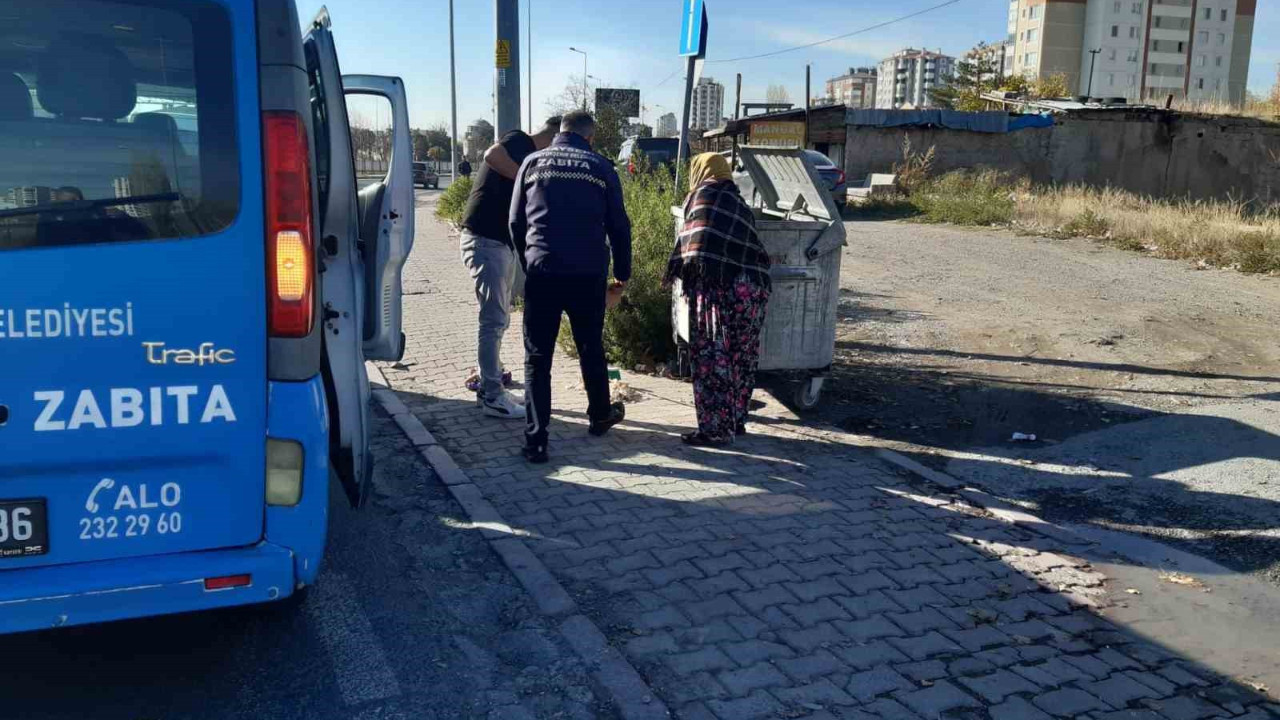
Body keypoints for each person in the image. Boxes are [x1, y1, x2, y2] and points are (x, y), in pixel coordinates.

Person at [510, 111, 632, 464]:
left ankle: (536, 441)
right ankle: (599, 416)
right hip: (587, 272)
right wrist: (622, 273)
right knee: (590, 346)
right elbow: (619, 225)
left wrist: (528, 262)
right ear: (590, 138)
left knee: (537, 356)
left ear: (559, 132)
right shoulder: (600, 168)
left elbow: (516, 221)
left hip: (543, 271)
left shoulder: (532, 162)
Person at [664, 153, 772, 447]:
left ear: (699, 171)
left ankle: (715, 430)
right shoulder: (737, 199)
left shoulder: (700, 195)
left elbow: (692, 246)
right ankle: (736, 422)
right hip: (752, 291)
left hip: (717, 286)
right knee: (742, 356)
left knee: (713, 357)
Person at [459, 116, 561, 419]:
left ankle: (491, 376)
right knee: (493, 320)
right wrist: (527, 181)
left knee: (497, 319)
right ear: (553, 136)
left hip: (497, 244)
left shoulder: (528, 154)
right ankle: (492, 395)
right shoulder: (520, 140)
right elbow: (491, 155)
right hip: (485, 241)